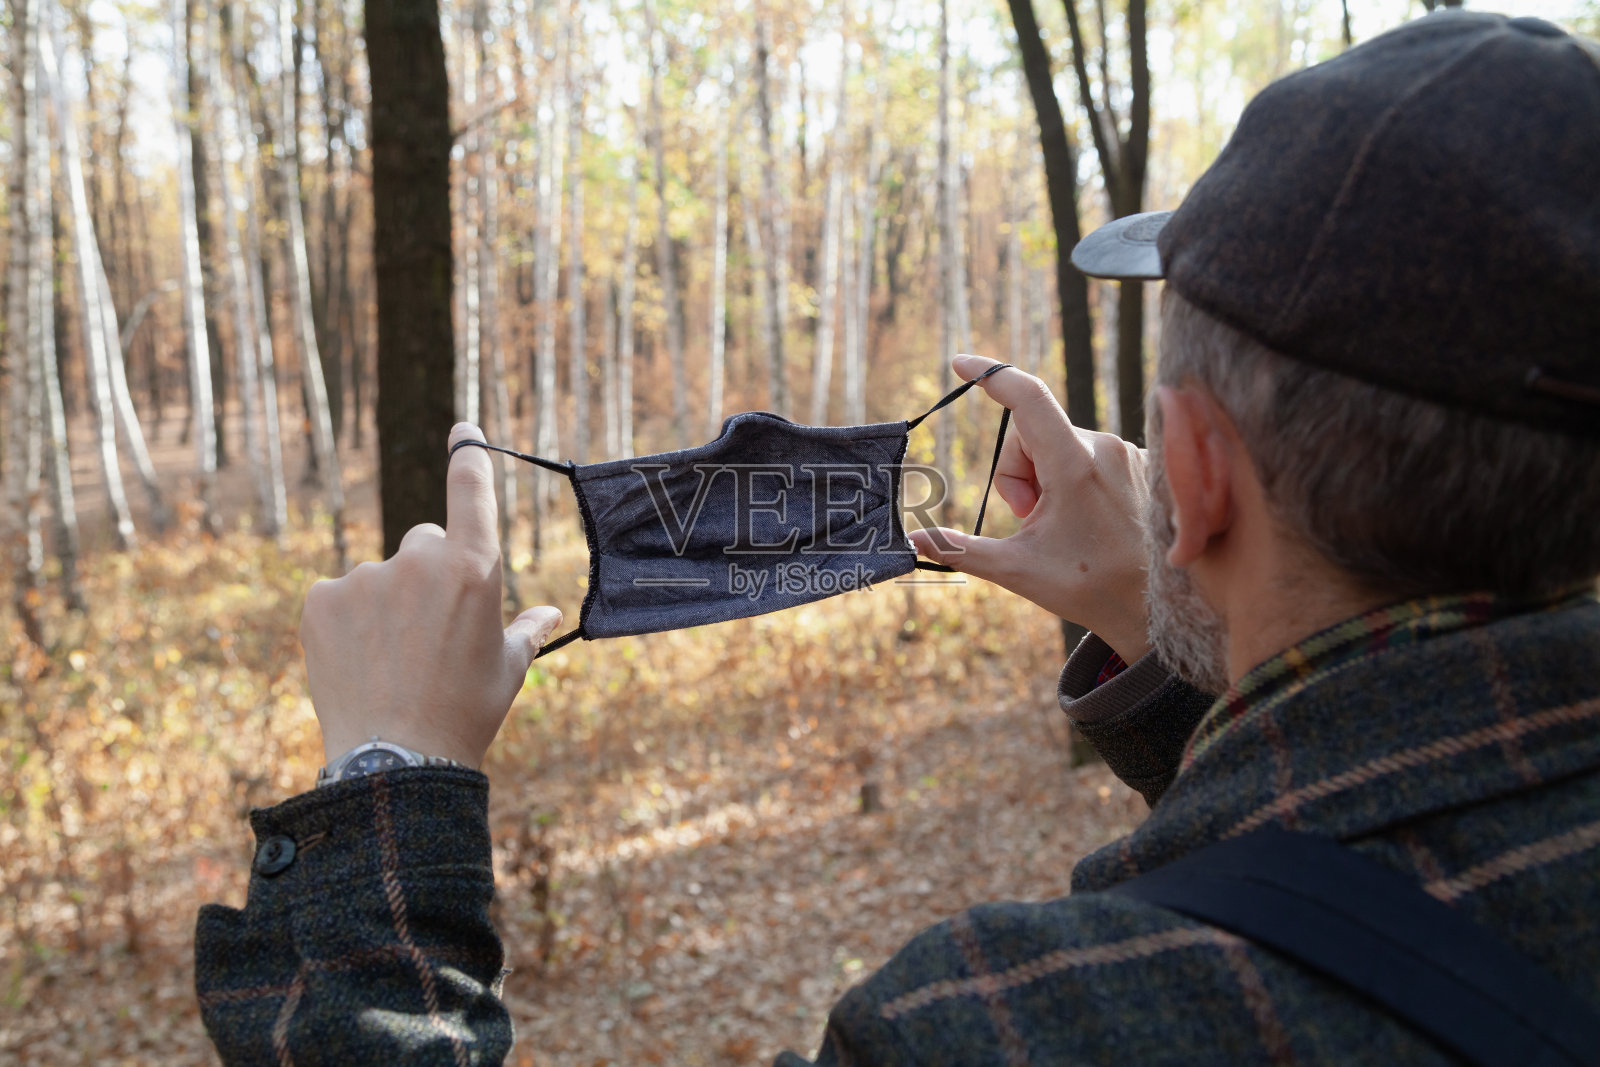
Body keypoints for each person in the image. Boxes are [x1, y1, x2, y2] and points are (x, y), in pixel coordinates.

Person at [195, 10, 1600, 1065]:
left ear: (1193, 469)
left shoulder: (1006, 1030)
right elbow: (1394, 853)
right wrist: (1176, 647)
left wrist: (392, 784)